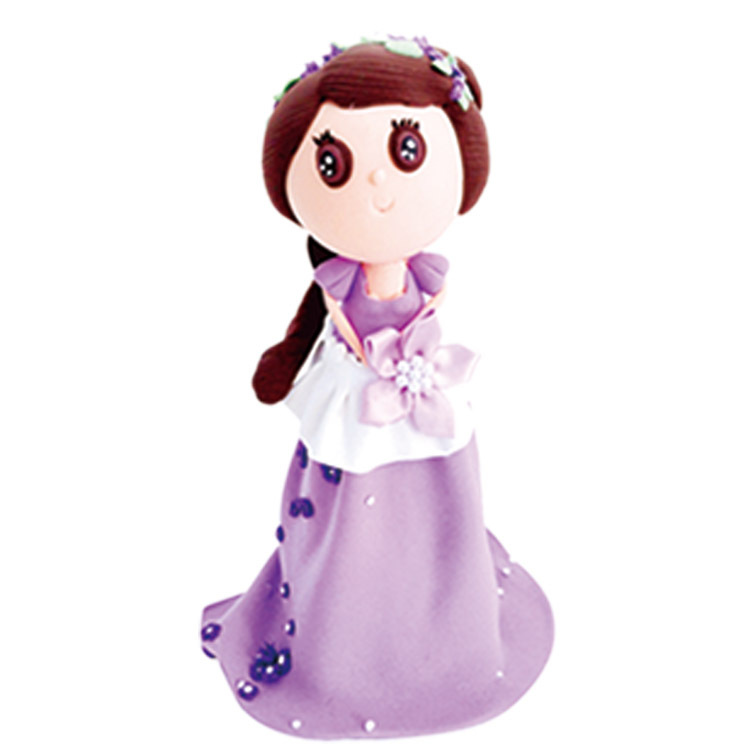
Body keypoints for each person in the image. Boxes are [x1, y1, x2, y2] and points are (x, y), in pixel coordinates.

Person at [201, 37, 553, 740]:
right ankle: (348, 624)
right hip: (353, 414)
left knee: (434, 506)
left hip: (424, 404)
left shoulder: (428, 274)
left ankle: (435, 602)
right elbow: (320, 322)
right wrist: (301, 359)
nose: (376, 186)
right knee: (346, 523)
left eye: (406, 151)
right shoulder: (335, 283)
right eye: (333, 165)